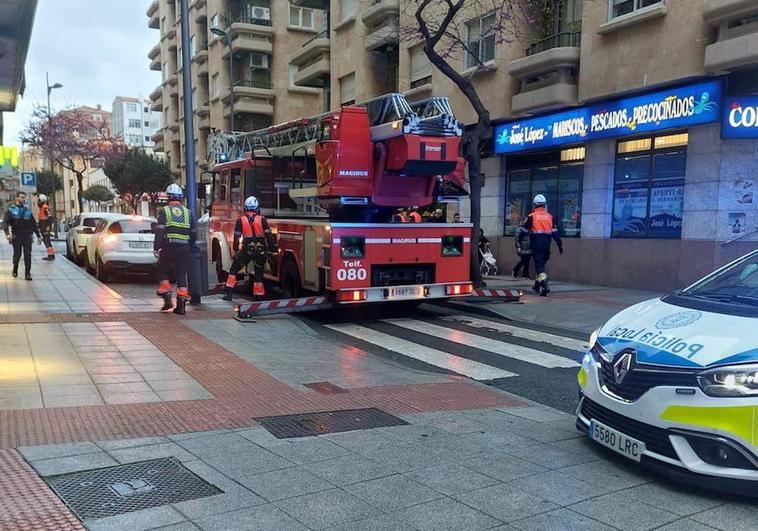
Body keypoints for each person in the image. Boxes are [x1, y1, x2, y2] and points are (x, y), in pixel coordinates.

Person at [222, 196, 277, 301]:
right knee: (258, 273)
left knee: (234, 270)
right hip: (260, 251)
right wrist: (272, 249)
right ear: (257, 208)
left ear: (245, 208)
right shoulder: (262, 220)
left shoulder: (241, 220)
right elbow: (269, 236)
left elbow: (237, 237)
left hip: (247, 250)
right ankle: (259, 295)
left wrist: (236, 250)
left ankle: (228, 292)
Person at [154, 183, 197, 314]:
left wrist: (157, 247)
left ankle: (167, 297)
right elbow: (194, 231)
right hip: (184, 248)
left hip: (169, 247)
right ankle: (181, 306)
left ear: (168, 197)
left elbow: (160, 231)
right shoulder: (188, 212)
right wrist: (191, 245)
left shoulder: (164, 211)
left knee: (162, 269)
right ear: (180, 198)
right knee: (181, 274)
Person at [523, 194, 562, 296]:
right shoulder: (550, 217)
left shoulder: (531, 216)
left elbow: (523, 230)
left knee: (540, 267)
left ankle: (545, 286)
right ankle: (537, 285)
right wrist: (559, 244)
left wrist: (520, 241)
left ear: (535, 205)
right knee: (541, 265)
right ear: (544, 205)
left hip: (536, 244)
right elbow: (555, 233)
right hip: (546, 245)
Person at [3, 191, 41, 280]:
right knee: (17, 255)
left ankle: (27, 273)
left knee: (28, 254)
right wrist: (7, 234)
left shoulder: (27, 210)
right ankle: (15, 268)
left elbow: (33, 224)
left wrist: (38, 236)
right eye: (22, 197)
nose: (23, 199)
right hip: (17, 236)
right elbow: (5, 223)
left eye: (24, 197)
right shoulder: (11, 210)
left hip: (27, 235)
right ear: (17, 198)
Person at [37, 194, 55, 261]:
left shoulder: (45, 208)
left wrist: (48, 226)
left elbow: (50, 218)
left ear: (42, 201)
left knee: (47, 241)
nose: (38, 202)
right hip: (43, 227)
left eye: (39, 200)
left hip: (45, 227)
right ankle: (50, 255)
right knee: (46, 241)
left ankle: (51, 255)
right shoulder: (42, 208)